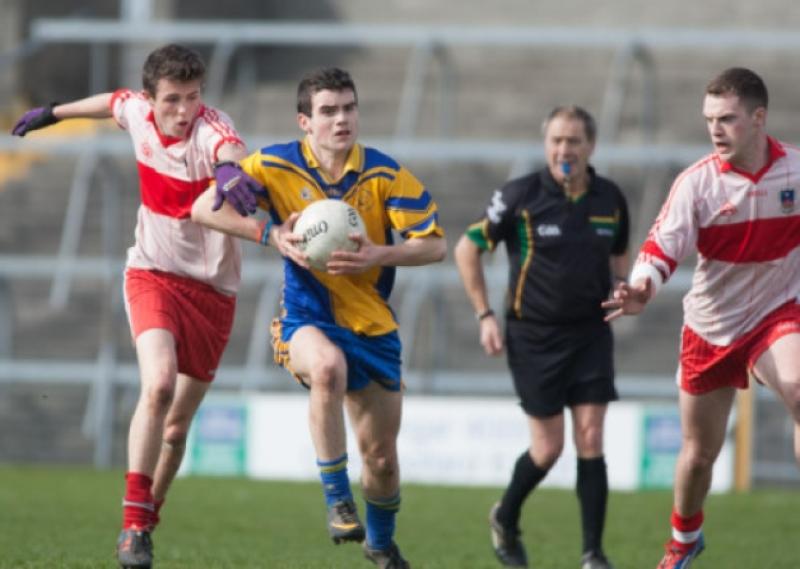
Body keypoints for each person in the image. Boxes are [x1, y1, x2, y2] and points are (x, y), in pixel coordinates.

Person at [11, 44, 262, 569]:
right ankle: (131, 527)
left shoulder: (212, 129)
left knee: (176, 428)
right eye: (172, 99)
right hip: (151, 273)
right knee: (159, 385)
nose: (183, 110)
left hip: (213, 291)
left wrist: (231, 174)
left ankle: (147, 517)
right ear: (151, 99)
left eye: (193, 97)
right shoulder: (138, 113)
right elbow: (110, 101)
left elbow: (229, 151)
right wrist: (52, 113)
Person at [191, 66, 446, 568]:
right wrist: (269, 235)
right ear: (304, 121)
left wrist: (378, 254)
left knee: (382, 461)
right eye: (328, 111)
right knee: (327, 368)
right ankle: (336, 499)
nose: (342, 119)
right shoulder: (274, 165)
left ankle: (380, 542)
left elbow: (435, 245)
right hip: (307, 317)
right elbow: (203, 208)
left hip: (373, 326)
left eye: (349, 108)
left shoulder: (384, 173)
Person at [603, 67, 800, 568]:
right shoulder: (697, 183)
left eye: (727, 119)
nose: (715, 129)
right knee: (697, 456)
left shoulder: (796, 171)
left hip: (778, 312)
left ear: (759, 118)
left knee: (798, 384)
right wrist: (642, 287)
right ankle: (684, 540)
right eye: (710, 119)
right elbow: (660, 244)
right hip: (712, 327)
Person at [454, 106, 629, 569]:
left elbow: (620, 257)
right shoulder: (521, 195)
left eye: (573, 141)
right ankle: (505, 518)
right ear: (545, 143)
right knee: (549, 448)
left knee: (591, 437)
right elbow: (467, 248)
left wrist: (623, 287)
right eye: (556, 140)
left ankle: (593, 554)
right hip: (533, 336)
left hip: (591, 332)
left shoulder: (610, 198)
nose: (563, 150)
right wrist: (485, 315)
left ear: (590, 146)